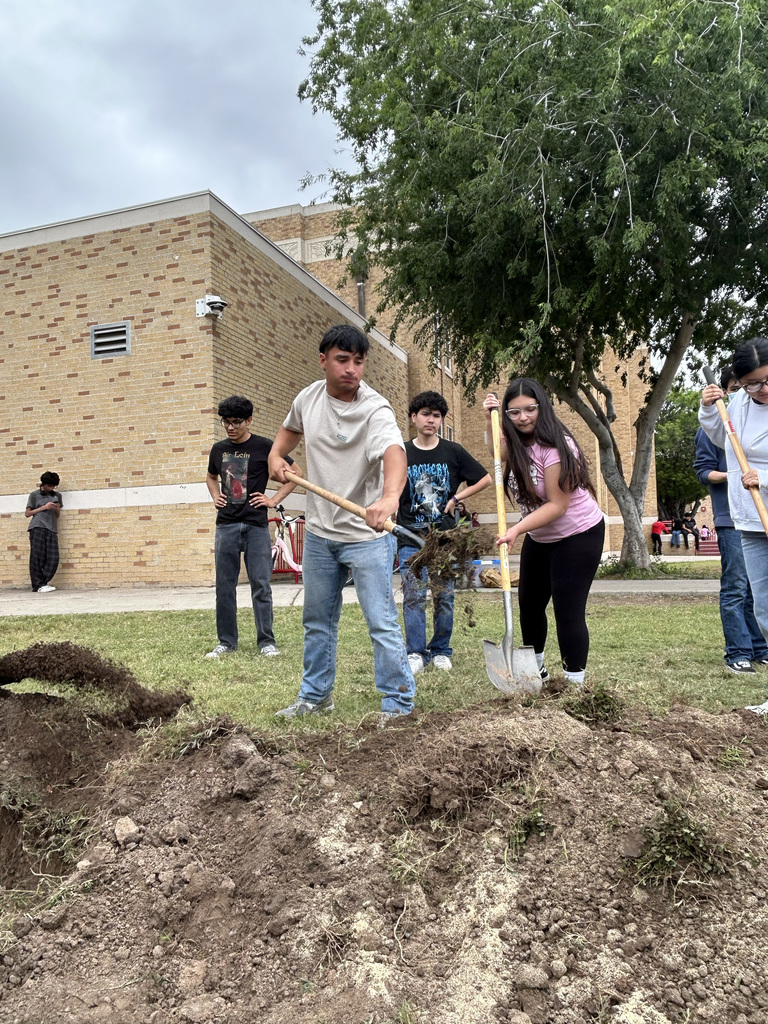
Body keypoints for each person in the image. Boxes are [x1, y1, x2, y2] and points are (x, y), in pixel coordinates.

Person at [268, 323, 416, 721]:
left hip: (366, 537)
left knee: (381, 622)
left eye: (359, 361)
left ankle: (398, 704)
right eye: (342, 360)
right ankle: (315, 698)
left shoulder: (375, 409)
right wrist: (276, 456)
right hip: (319, 535)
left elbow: (394, 452)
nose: (352, 369)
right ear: (323, 360)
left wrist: (389, 497)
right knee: (317, 621)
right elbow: (289, 431)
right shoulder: (308, 398)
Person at [483, 380, 605, 686]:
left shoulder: (556, 447)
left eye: (530, 409)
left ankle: (573, 684)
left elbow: (557, 505)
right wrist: (490, 419)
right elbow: (497, 452)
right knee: (529, 605)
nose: (523, 417)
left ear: (542, 407)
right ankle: (535, 672)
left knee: (568, 610)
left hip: (578, 534)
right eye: (514, 412)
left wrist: (516, 529)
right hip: (540, 536)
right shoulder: (516, 442)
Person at [397, 390, 491, 674]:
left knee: (445, 596)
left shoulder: (453, 451)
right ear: (414, 417)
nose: (431, 420)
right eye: (425, 414)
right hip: (410, 535)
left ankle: (440, 650)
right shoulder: (401, 452)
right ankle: (416, 652)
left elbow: (485, 478)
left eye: (436, 416)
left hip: (445, 538)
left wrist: (457, 498)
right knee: (414, 595)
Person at [205, 396, 298, 660]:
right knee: (225, 586)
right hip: (226, 526)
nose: (230, 427)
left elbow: (296, 474)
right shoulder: (218, 449)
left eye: (236, 422)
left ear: (249, 420)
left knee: (261, 584)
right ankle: (226, 642)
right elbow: (211, 477)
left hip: (256, 526)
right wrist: (215, 496)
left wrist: (273, 500)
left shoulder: (266, 448)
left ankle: (266, 642)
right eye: (226, 422)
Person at [699, 349, 768, 702]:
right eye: (753, 384)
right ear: (739, 382)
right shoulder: (738, 403)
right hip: (751, 520)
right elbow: (720, 438)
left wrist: (765, 478)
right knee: (764, 609)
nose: (763, 389)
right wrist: (709, 409)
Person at [25, 471, 62, 593]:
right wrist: (44, 507)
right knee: (37, 557)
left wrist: (57, 509)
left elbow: (56, 516)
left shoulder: (57, 496)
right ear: (43, 484)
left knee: (53, 557)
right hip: (37, 526)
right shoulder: (34, 495)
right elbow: (27, 513)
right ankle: (37, 585)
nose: (52, 488)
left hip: (51, 528)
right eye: (50, 486)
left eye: (54, 486)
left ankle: (43, 583)